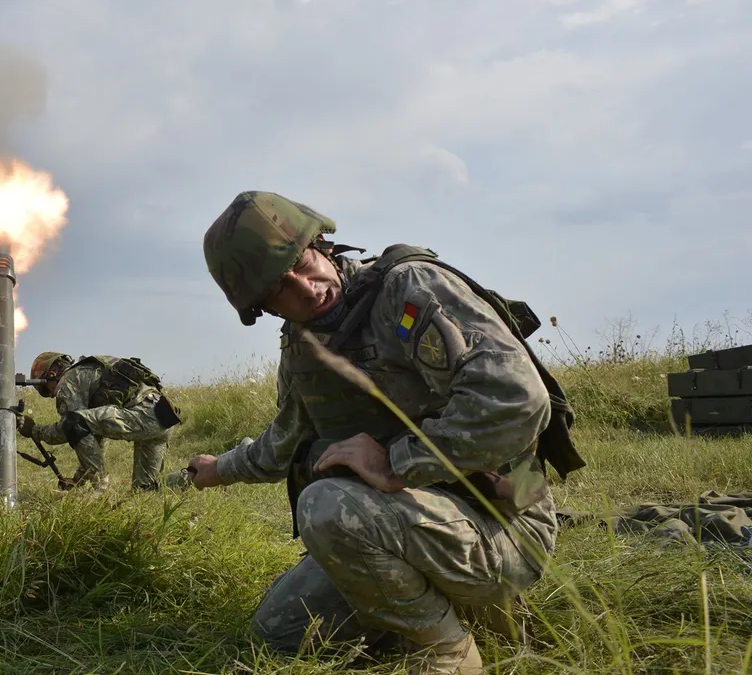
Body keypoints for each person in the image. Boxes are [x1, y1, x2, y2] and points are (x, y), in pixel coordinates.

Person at [188, 191, 584, 675]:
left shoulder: (408, 289)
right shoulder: (303, 346)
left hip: (504, 524)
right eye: (278, 288)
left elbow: (516, 401)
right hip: (410, 525)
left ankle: (446, 649)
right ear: (262, 307)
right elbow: (282, 443)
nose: (307, 289)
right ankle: (447, 602)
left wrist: (394, 464)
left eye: (302, 262)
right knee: (279, 633)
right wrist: (217, 470)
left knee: (327, 506)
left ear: (322, 243)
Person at [18, 352, 183, 492]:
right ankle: (191, 475)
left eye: (46, 390)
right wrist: (78, 480)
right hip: (162, 417)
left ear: (51, 374)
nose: (53, 395)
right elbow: (91, 440)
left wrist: (35, 431)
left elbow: (71, 427)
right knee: (146, 489)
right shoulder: (89, 370)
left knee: (73, 422)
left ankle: (101, 491)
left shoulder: (68, 381)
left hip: (143, 416)